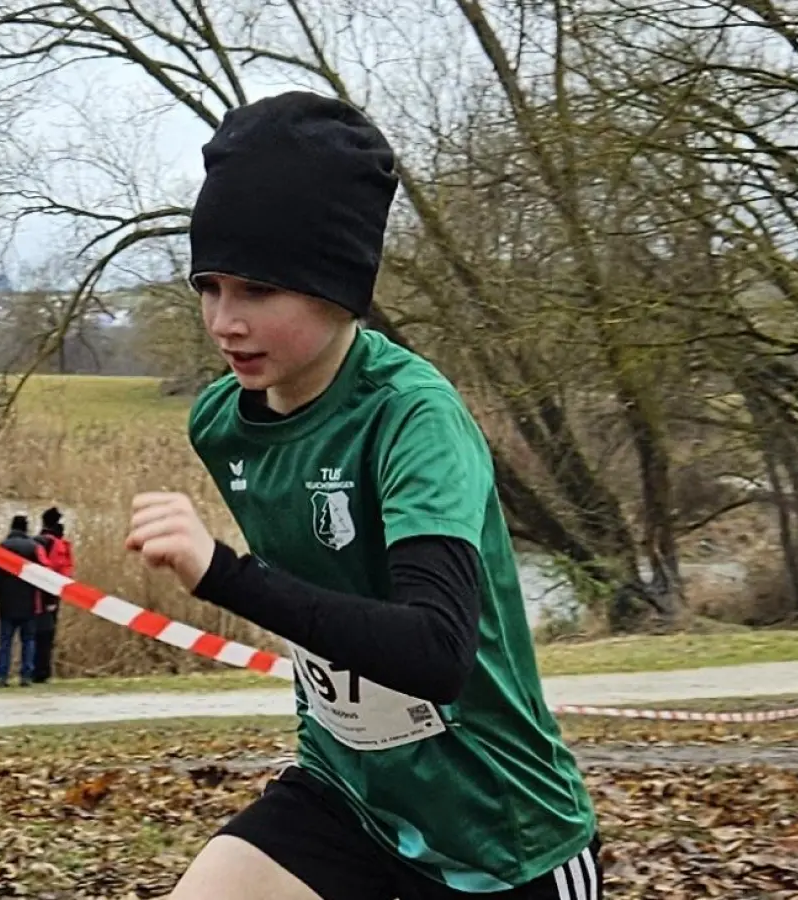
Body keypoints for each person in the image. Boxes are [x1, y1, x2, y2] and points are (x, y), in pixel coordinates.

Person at [122, 91, 603, 900]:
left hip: (499, 836)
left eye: (256, 291)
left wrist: (223, 575)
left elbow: (434, 654)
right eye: (209, 286)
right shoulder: (222, 424)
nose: (222, 322)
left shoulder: (414, 418)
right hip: (349, 800)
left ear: (337, 284)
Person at [0, 514, 46, 687]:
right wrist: (47, 601)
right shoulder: (34, 547)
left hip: (6, 603)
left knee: (5, 641)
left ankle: (1, 676)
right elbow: (46, 575)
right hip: (30, 602)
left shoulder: (1, 548)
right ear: (26, 528)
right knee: (29, 640)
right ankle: (26, 675)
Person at [32, 506, 75, 684]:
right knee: (44, 633)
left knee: (41, 634)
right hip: (46, 596)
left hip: (46, 595)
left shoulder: (39, 541)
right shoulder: (50, 543)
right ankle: (40, 673)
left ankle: (40, 671)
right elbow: (54, 571)